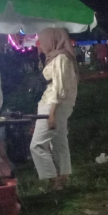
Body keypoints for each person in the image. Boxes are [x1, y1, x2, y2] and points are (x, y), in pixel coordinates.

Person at [30, 28, 79, 191]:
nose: (40, 45)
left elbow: (59, 88)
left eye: (42, 41)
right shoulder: (58, 57)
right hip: (57, 105)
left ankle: (52, 179)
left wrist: (52, 114)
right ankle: (63, 178)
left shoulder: (61, 58)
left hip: (53, 105)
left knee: (37, 145)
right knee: (59, 141)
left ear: (52, 40)